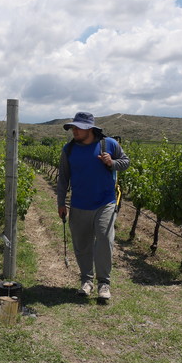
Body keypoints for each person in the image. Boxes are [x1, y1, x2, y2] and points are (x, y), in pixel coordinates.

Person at [57, 112, 130, 300]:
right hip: (79, 204)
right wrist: (61, 203)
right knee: (82, 245)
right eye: (72, 127)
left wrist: (111, 162)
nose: (73, 131)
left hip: (105, 202)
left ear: (89, 128)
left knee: (105, 241)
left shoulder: (109, 144)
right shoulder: (69, 150)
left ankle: (104, 284)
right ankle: (86, 281)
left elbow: (125, 162)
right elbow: (63, 178)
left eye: (77, 128)